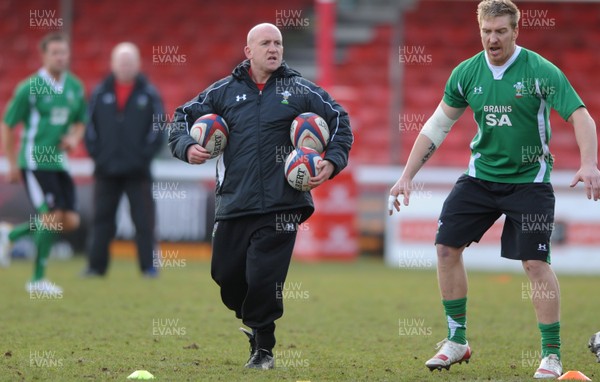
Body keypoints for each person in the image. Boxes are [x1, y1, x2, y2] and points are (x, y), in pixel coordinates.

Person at [389, 0, 600, 379]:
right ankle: (456, 340)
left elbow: (580, 115)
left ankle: (551, 355)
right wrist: (406, 175)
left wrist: (588, 164)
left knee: (536, 264)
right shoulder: (466, 73)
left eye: (501, 31)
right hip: (479, 178)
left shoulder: (540, 71)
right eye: (487, 31)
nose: (493, 38)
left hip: (529, 183)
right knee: (445, 247)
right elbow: (437, 126)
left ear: (516, 31)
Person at [169, 23, 352, 369]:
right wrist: (187, 146)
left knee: (264, 278)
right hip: (235, 201)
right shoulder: (222, 92)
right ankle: (253, 321)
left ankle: (264, 348)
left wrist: (331, 160)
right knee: (225, 276)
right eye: (265, 43)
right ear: (248, 51)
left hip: (284, 205)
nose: (274, 48)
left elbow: (339, 119)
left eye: (278, 43)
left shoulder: (299, 89)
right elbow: (180, 118)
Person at [0, 32, 87, 293]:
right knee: (51, 217)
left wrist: (74, 138)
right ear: (45, 55)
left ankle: (9, 235)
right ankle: (37, 280)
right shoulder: (30, 87)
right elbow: (8, 125)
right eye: (55, 53)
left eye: (64, 53)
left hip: (59, 163)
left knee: (70, 220)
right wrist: (12, 164)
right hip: (35, 161)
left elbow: (81, 121)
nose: (61, 57)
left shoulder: (74, 86)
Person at [83, 42, 164, 277]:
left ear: (138, 64)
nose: (126, 66)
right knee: (102, 221)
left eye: (130, 62)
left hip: (138, 171)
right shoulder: (99, 92)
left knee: (144, 222)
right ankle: (95, 268)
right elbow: (89, 128)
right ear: (113, 64)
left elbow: (158, 128)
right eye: (121, 62)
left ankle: (148, 267)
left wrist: (142, 157)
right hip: (105, 170)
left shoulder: (149, 93)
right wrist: (99, 155)